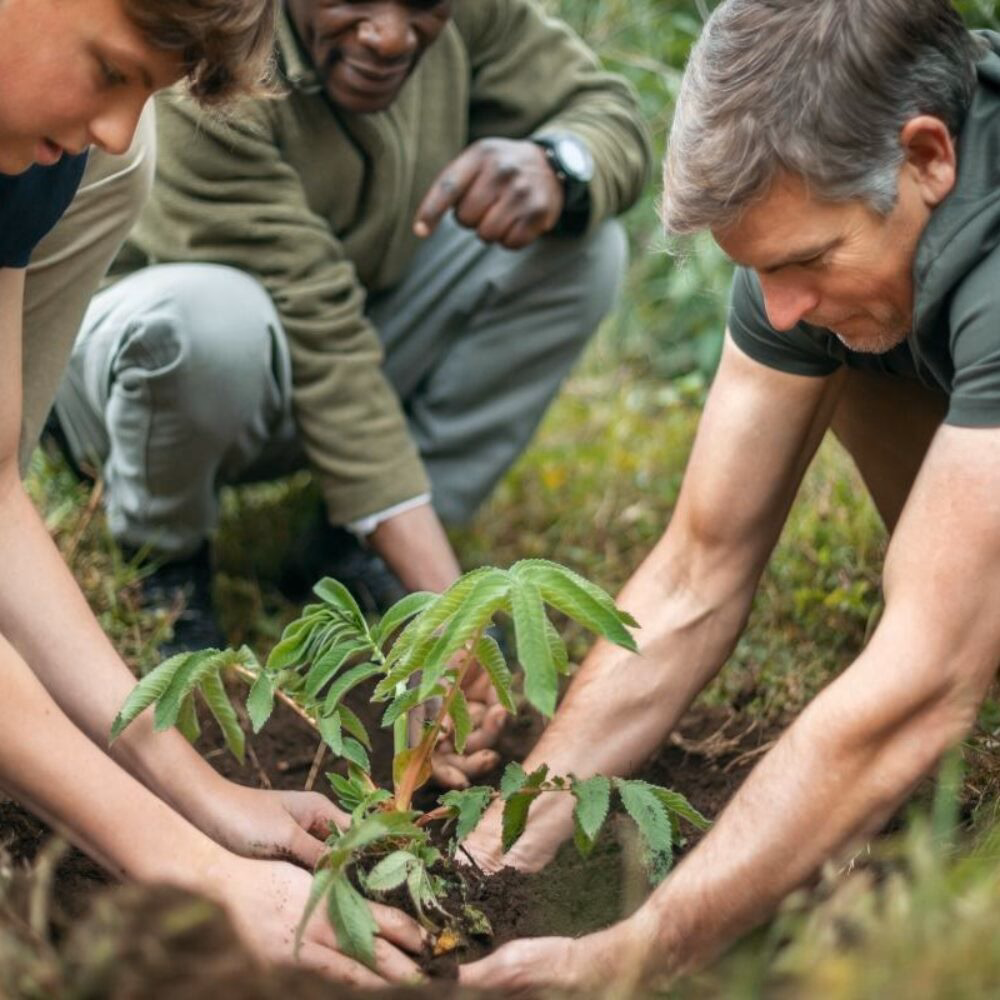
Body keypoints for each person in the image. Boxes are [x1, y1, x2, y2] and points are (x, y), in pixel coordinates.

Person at [457, 0, 1000, 991]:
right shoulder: (819, 233)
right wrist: (493, 848)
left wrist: (642, 946)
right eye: (758, 268)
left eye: (804, 260)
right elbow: (694, 576)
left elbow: (922, 686)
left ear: (926, 155)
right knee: (853, 336)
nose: (777, 305)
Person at [0, 0, 426, 985]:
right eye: (109, 72)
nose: (115, 129)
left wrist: (196, 791)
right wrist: (183, 863)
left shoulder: (30, 143)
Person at [49, 0, 652, 682]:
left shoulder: (468, 13)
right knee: (201, 324)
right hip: (136, 381)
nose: (390, 36)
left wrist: (559, 165)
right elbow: (318, 329)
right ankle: (162, 557)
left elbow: (605, 109)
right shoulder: (212, 52)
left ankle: (356, 545)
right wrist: (450, 615)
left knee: (581, 244)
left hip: (336, 328)